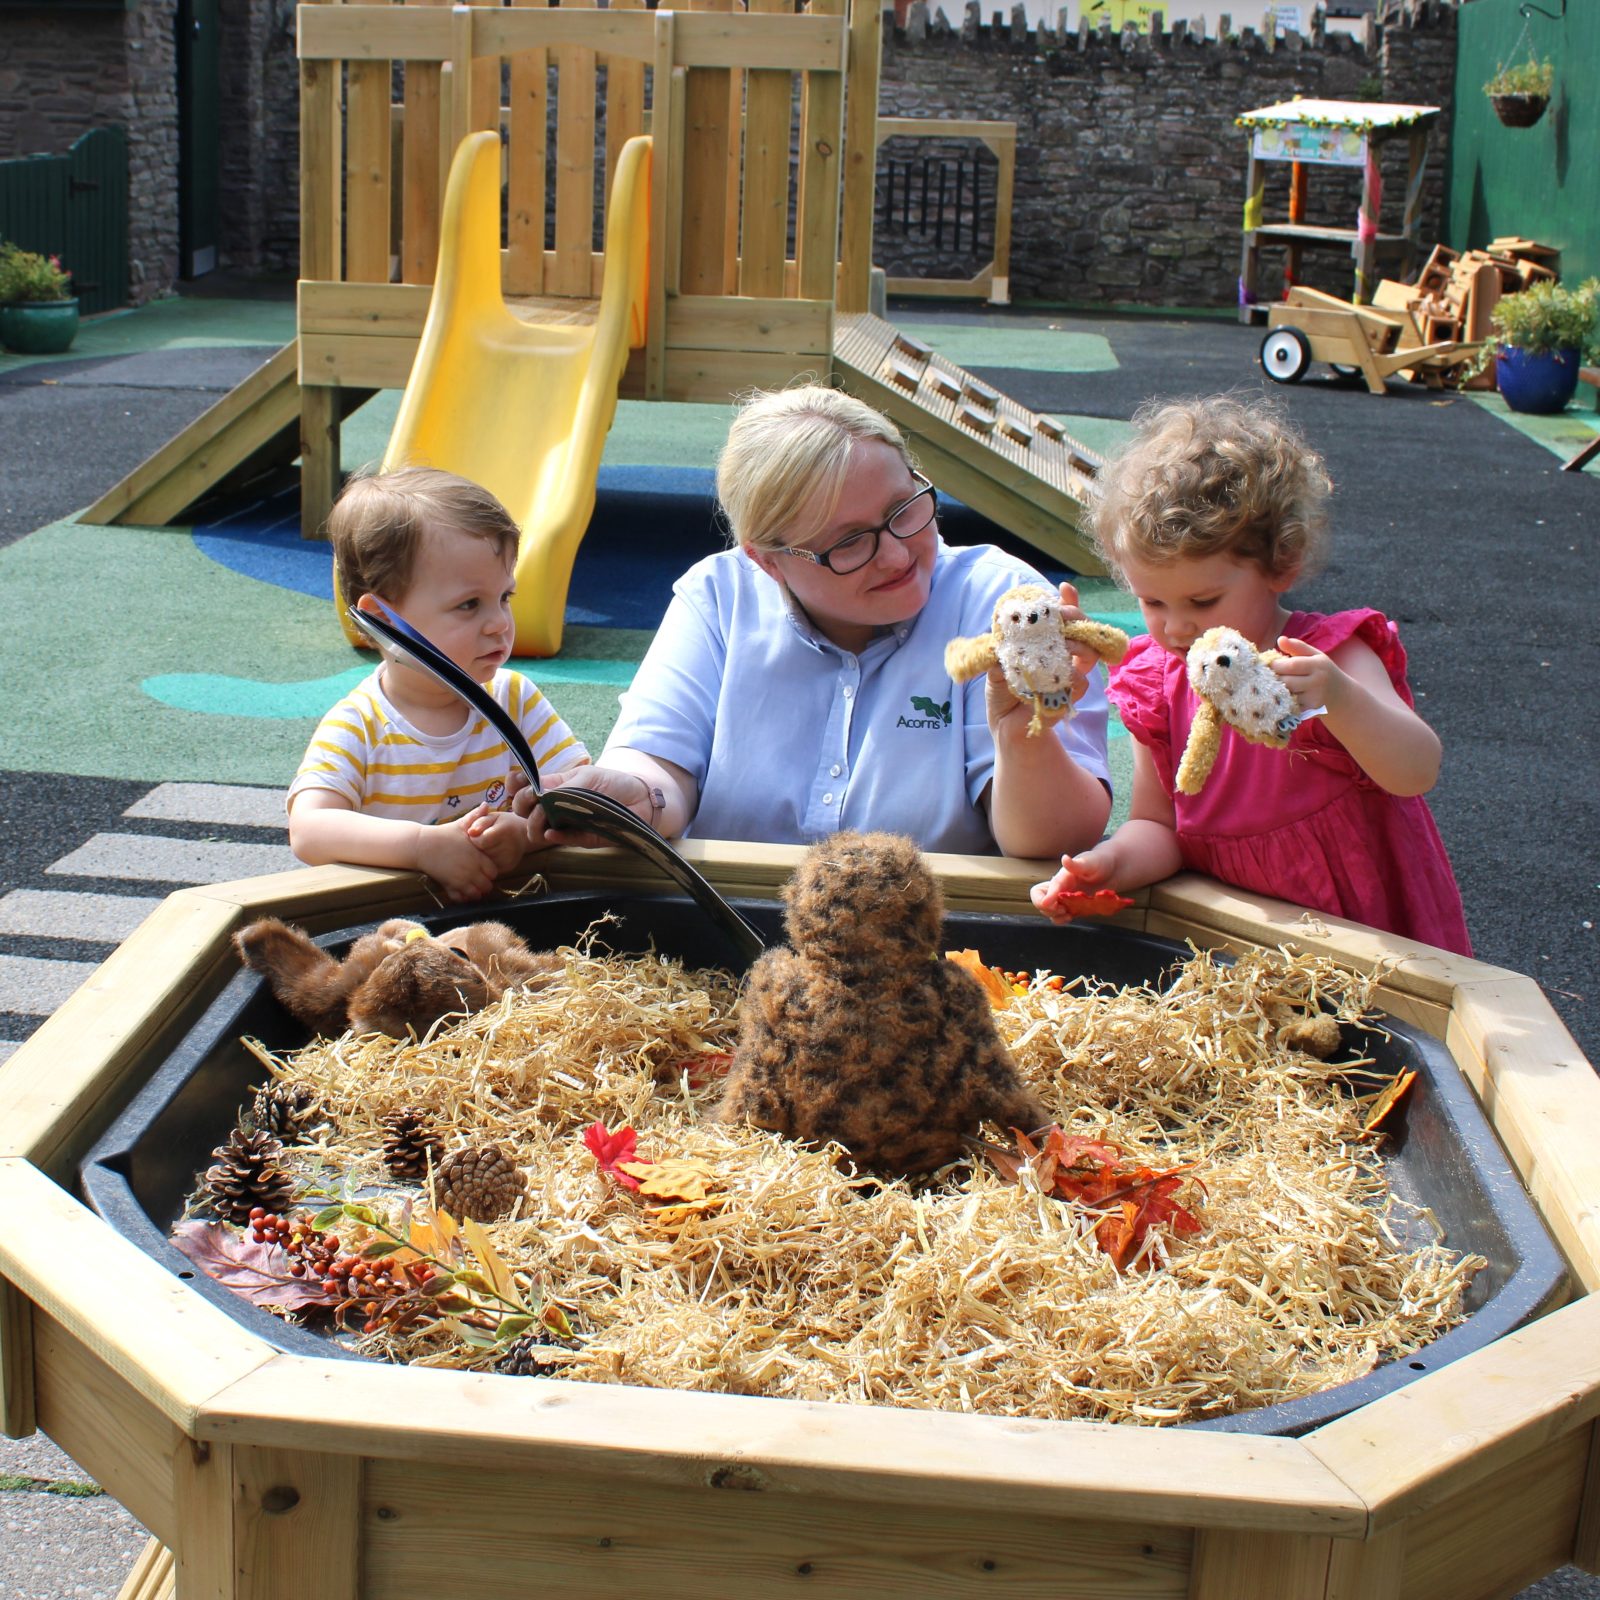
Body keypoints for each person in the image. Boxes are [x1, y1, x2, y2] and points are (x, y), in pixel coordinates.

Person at [518, 384, 1112, 857]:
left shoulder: (1003, 601)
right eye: (850, 543)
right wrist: (634, 794)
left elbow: (1053, 845)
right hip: (734, 928)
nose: (899, 555)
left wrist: (1022, 741)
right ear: (766, 561)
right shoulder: (719, 595)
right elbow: (660, 772)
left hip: (944, 947)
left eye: (905, 509)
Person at [1032, 394, 1470, 955]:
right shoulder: (1159, 683)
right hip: (1229, 935)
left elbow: (1416, 770)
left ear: (1279, 566)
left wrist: (1342, 699)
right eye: (1152, 602)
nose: (1177, 628)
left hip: (1356, 934)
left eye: (1204, 600)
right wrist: (1108, 862)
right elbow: (1158, 826)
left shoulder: (1325, 657)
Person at [288, 467, 589, 902]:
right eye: (469, 605)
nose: (500, 624)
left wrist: (526, 833)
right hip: (397, 931)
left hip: (511, 921)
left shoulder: (514, 700)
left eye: (505, 597)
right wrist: (422, 847)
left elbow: (584, 797)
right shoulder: (360, 726)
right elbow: (310, 829)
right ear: (384, 620)